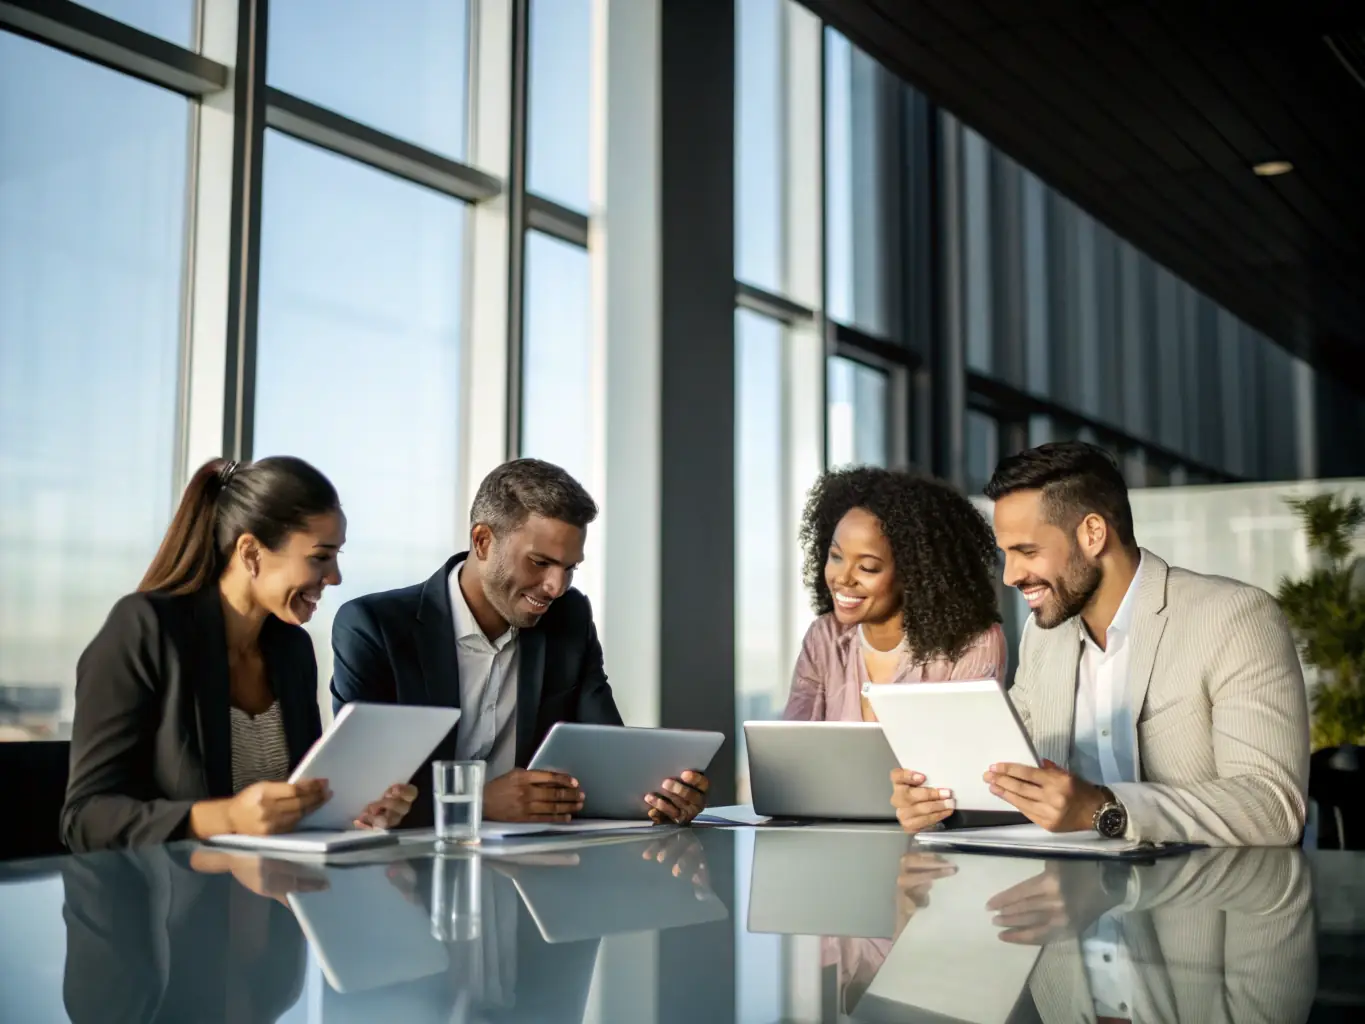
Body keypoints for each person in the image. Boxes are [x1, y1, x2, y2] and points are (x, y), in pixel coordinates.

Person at [891, 442, 1310, 845]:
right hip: (1072, 903)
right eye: (1007, 554)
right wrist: (943, 804)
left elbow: (1273, 807)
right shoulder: (1044, 636)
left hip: (1197, 904)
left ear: (1093, 533)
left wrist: (1104, 808)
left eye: (1027, 551)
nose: (1010, 576)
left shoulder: (1233, 618)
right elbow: (1019, 778)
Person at [61, 457, 417, 853]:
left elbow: (297, 806)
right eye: (320, 557)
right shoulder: (144, 628)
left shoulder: (292, 649)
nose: (334, 577)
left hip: (279, 900)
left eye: (337, 557)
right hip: (165, 907)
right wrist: (228, 817)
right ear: (250, 553)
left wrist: (358, 813)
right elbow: (85, 818)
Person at [330, 458, 710, 826]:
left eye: (569, 568)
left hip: (536, 865)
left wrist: (660, 795)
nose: (556, 587)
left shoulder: (569, 619)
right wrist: (478, 801)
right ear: (482, 541)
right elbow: (362, 793)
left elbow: (611, 756)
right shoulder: (373, 627)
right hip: (408, 873)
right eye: (540, 562)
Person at [784, 467, 1008, 723]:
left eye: (867, 567)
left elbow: (967, 754)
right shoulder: (824, 638)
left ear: (913, 573)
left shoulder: (974, 645)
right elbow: (792, 742)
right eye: (835, 557)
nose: (843, 578)